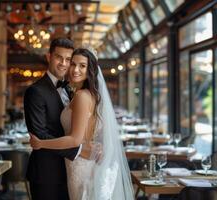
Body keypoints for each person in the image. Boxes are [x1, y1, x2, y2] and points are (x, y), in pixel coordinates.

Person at [30, 47, 134, 200]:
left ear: (90, 69)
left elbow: (75, 140)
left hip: (79, 165)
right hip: (81, 161)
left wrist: (41, 143)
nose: (75, 69)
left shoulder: (81, 96)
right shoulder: (88, 95)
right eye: (73, 64)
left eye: (82, 66)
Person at [24, 38, 82, 200]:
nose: (63, 63)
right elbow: (40, 135)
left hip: (71, 170)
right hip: (46, 173)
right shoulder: (35, 92)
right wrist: (79, 150)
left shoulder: (72, 89)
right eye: (59, 57)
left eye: (68, 59)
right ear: (49, 57)